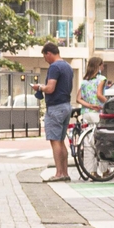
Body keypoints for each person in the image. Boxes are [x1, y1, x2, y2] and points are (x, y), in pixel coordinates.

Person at [38, 42, 77, 181]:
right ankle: (65, 173)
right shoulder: (67, 66)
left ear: (49, 53)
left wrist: (40, 87)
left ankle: (59, 173)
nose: (45, 60)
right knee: (61, 141)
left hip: (55, 107)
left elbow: (50, 88)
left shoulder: (54, 67)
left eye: (45, 57)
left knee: (55, 141)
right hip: (66, 105)